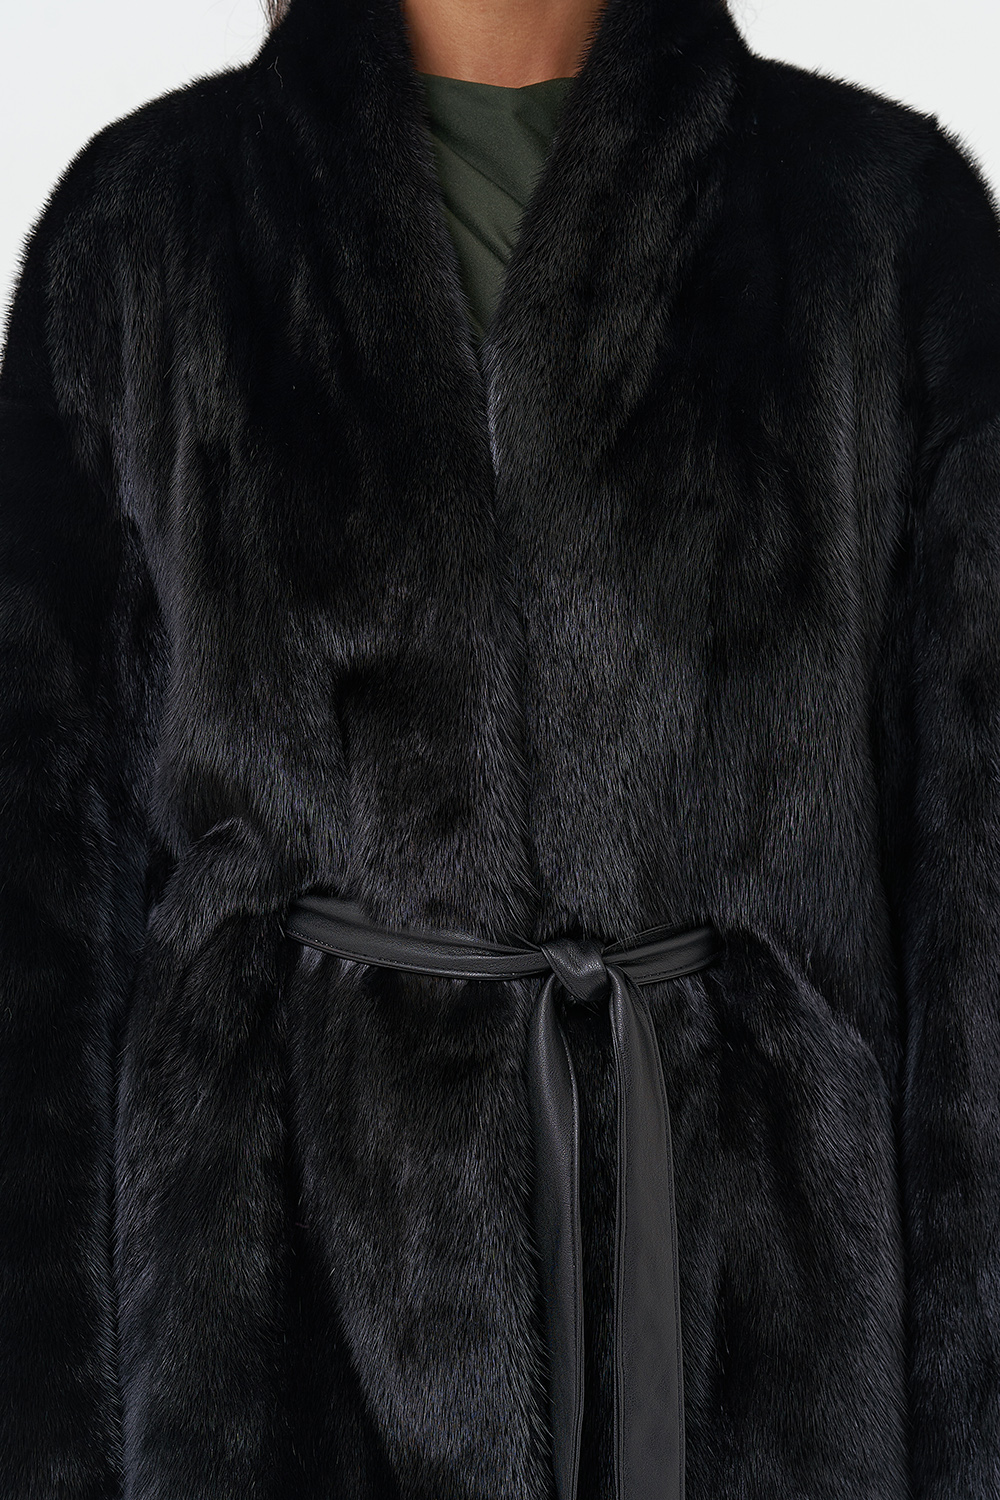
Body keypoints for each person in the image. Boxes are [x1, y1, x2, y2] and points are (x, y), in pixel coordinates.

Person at [2, 0, 999, 1494]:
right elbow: (35, 935)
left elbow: (978, 918)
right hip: (273, 1353)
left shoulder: (884, 232)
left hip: (759, 1349)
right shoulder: (145, 235)